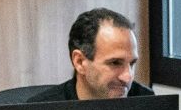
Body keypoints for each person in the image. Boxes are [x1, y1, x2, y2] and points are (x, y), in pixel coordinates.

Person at [19, 7, 153, 102]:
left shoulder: (146, 101)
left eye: (132, 63)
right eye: (115, 63)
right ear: (79, 62)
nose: (128, 77)